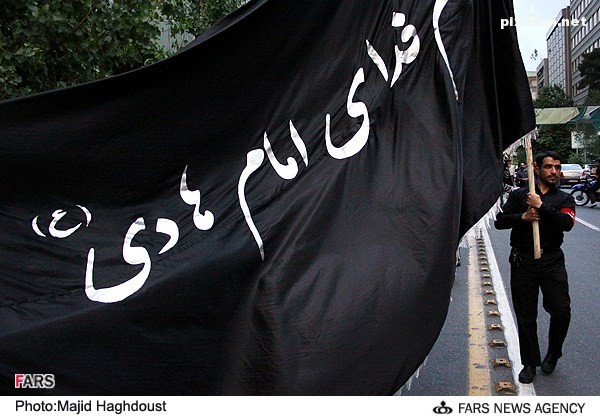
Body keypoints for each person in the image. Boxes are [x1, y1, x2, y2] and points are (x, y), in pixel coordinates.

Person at [494, 151, 575, 384]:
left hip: (551, 261)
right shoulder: (520, 195)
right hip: (523, 261)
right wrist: (523, 217)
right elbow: (500, 221)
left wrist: (541, 207)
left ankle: (554, 352)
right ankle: (529, 362)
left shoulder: (564, 199)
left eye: (557, 167)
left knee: (561, 310)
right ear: (536, 168)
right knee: (526, 315)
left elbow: (567, 223)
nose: (554, 171)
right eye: (549, 167)